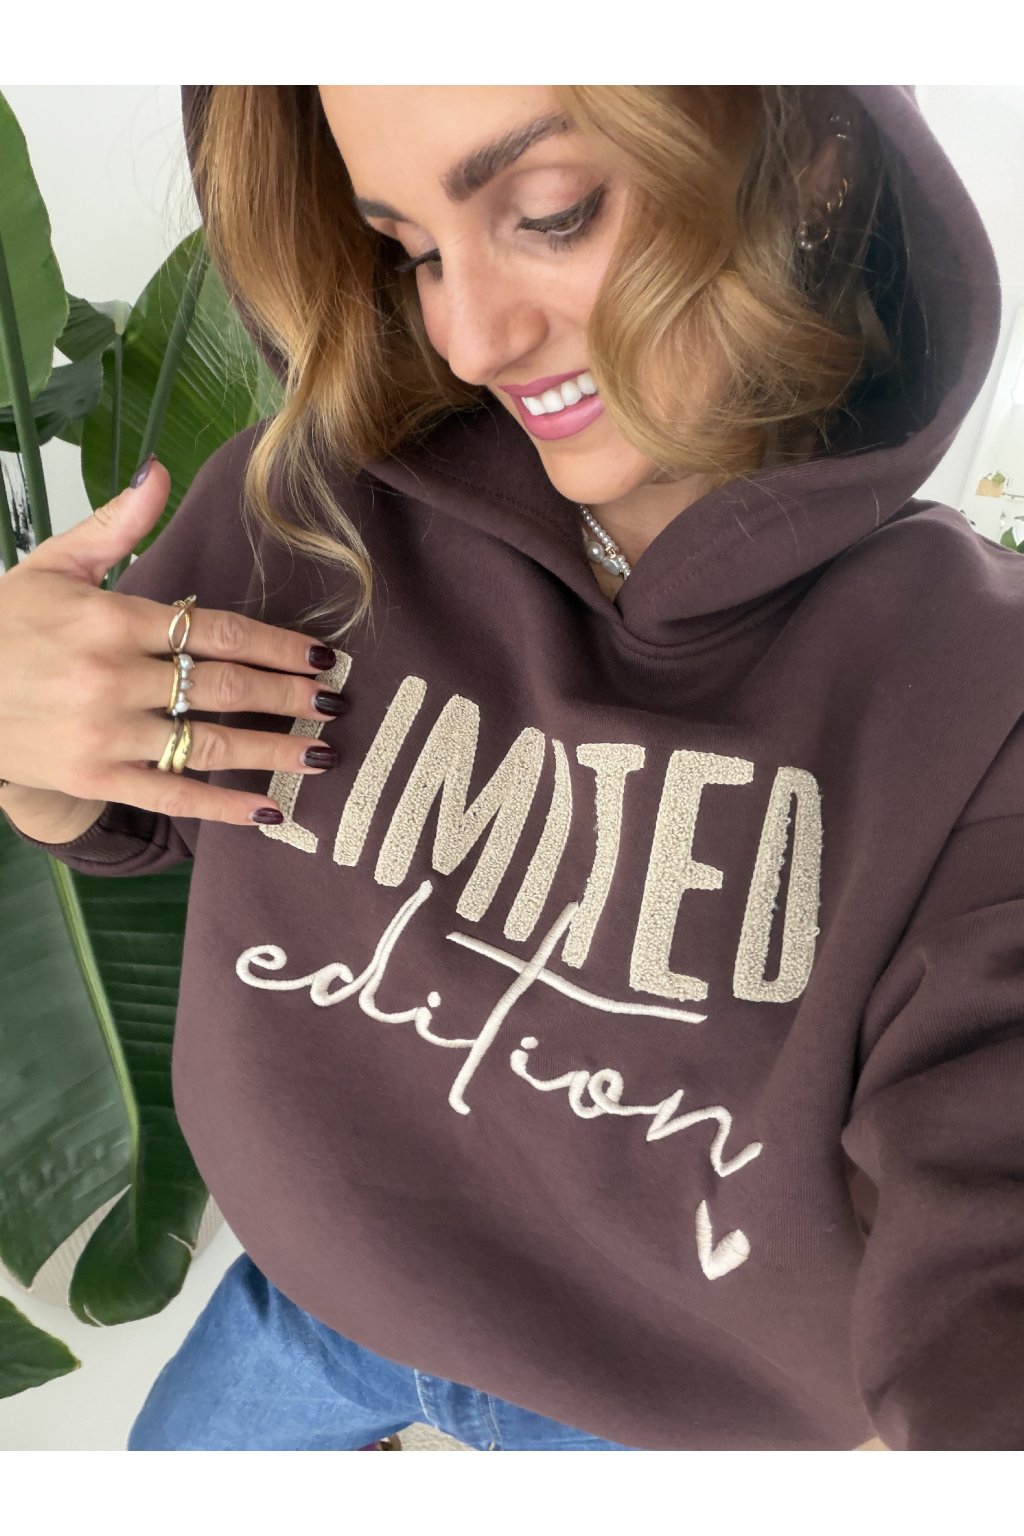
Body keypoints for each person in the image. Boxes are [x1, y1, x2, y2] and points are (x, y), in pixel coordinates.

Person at [0, 85, 1019, 1452]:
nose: (470, 336)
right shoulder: (310, 507)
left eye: (550, 214)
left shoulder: (977, 687)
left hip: (666, 1427)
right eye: (414, 251)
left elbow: (986, 1236)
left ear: (820, 157)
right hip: (304, 1315)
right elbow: (126, 817)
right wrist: (31, 744)